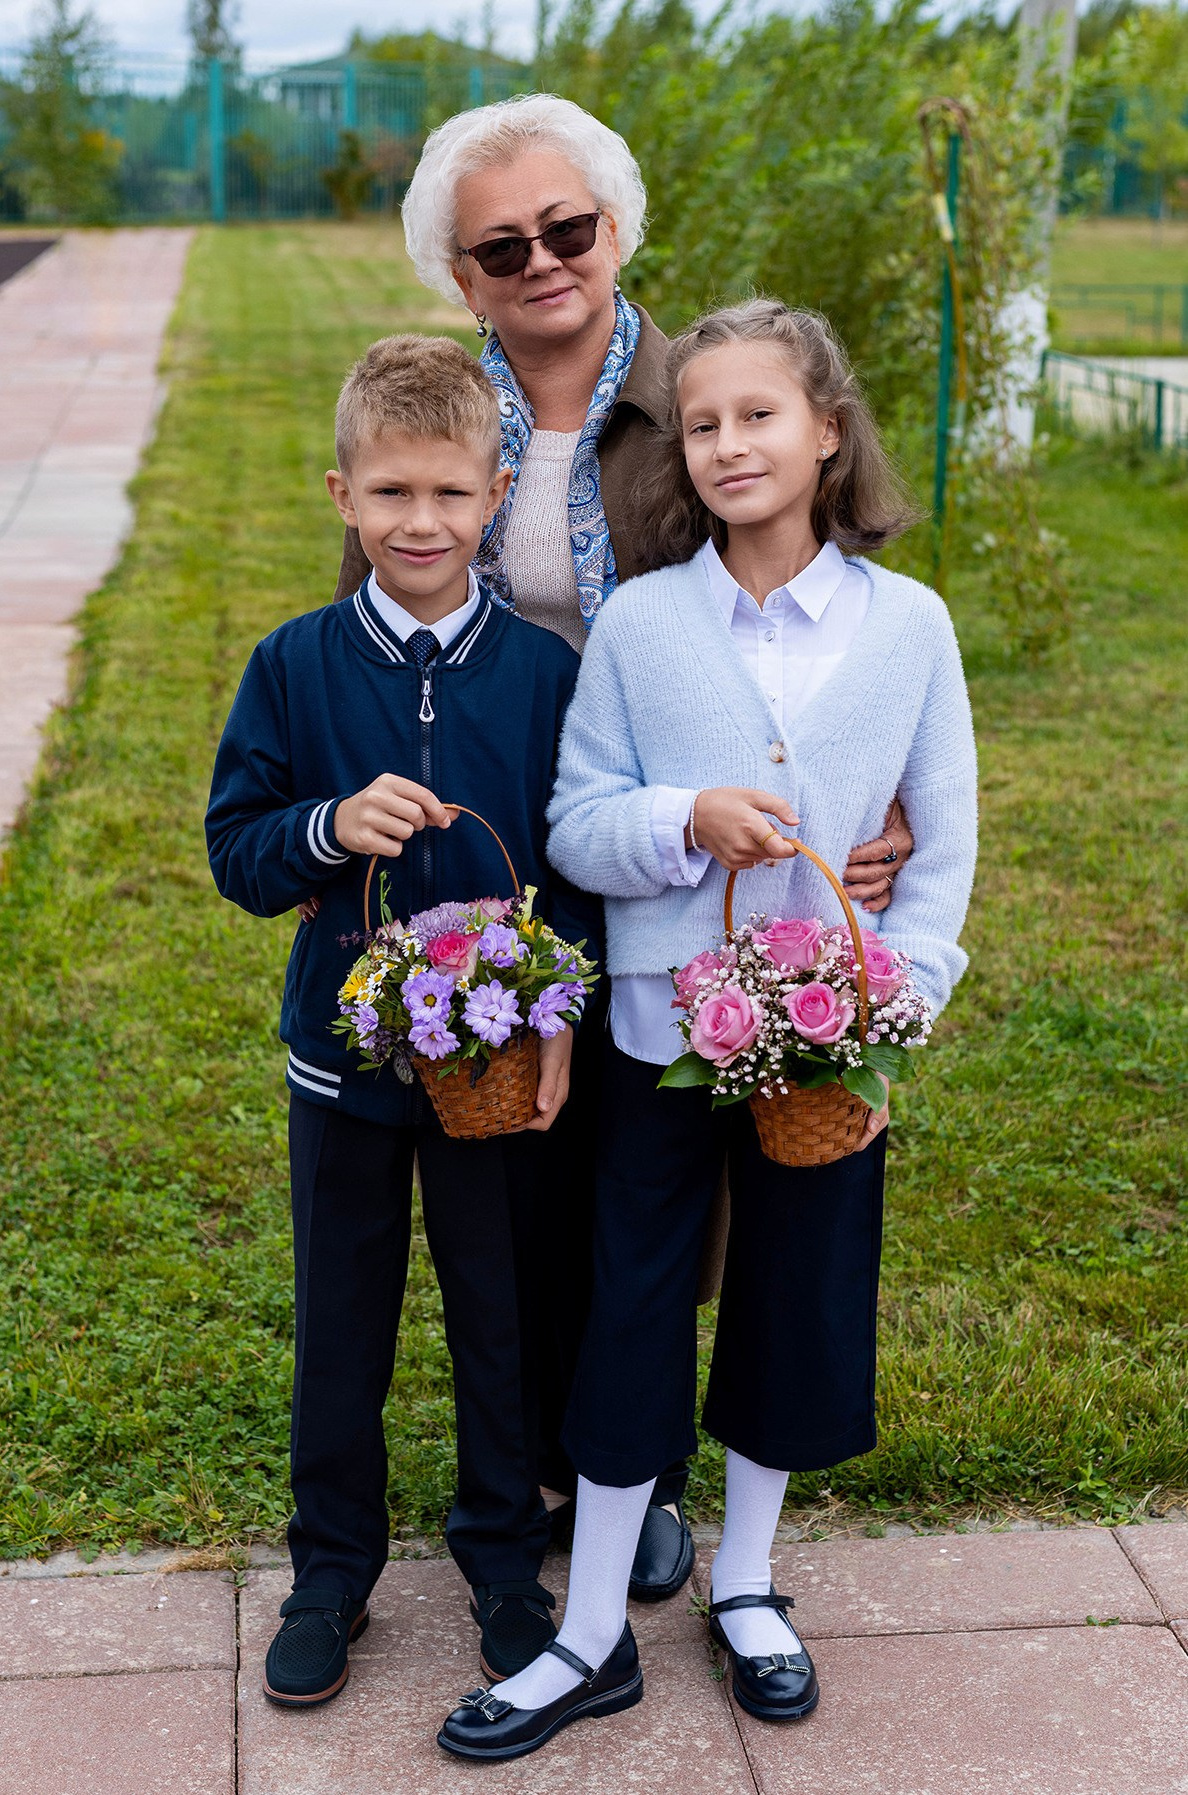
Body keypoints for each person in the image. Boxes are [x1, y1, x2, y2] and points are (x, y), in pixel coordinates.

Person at [318, 94, 914, 1600]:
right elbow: (382, 615)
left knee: (662, 1171)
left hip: (698, 853)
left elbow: (824, 611)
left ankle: (627, 1459)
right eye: (499, 245)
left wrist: (871, 806)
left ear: (618, 227)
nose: (542, 262)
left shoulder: (704, 391)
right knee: (514, 1145)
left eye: (567, 228)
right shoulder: (442, 412)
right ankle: (553, 1467)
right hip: (507, 833)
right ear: (462, 275)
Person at [436, 299, 977, 1761]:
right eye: (705, 423)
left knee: (799, 1294)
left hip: (823, 1043)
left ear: (827, 431)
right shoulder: (643, 620)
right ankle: (593, 1621)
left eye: (760, 416)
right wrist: (688, 820)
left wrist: (893, 1014)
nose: (731, 444)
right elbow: (580, 823)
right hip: (659, 1031)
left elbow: (938, 862)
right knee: (632, 1300)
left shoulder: (910, 627)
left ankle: (745, 1583)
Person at [205, 334, 600, 1708]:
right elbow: (238, 855)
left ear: (497, 497)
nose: (420, 524)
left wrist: (559, 1020)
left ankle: (503, 1555)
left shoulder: (546, 679)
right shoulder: (297, 666)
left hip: (490, 1069)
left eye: (448, 494)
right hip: (345, 1072)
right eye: (390, 496)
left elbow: (579, 864)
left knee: (498, 1309)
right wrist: (324, 825)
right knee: (344, 1315)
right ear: (342, 496)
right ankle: (331, 1570)